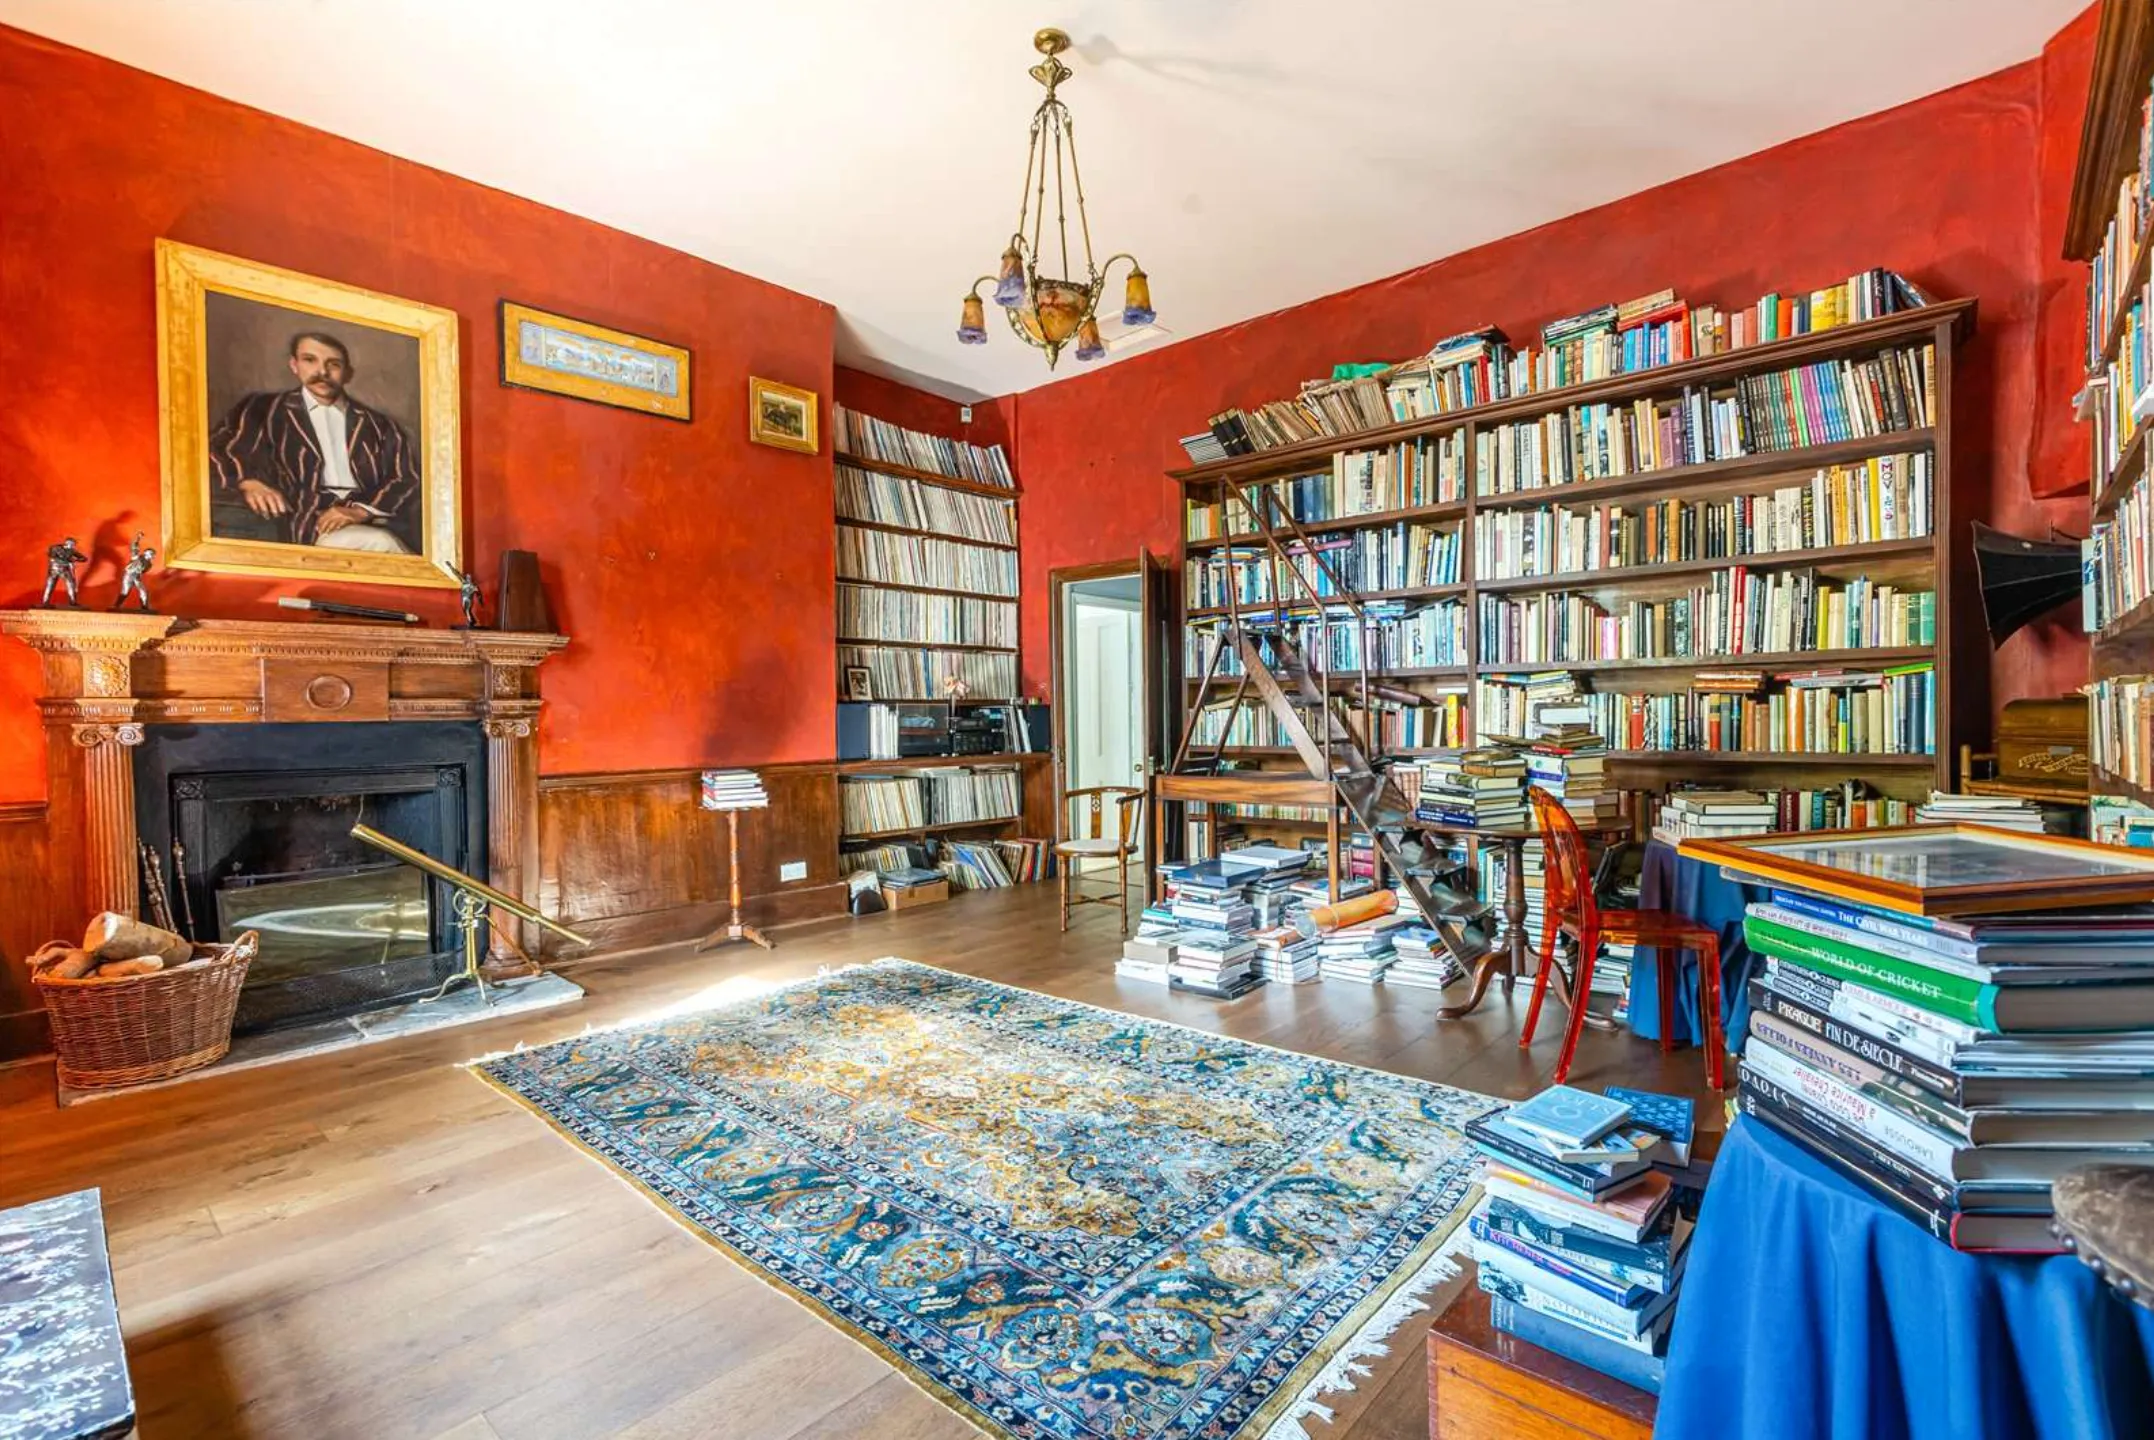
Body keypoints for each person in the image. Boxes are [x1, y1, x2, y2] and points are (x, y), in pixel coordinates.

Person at [207, 331, 420, 552]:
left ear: (347, 373)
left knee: (383, 542)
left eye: (334, 364)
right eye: (310, 360)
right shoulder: (263, 409)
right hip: (300, 524)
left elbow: (405, 478)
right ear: (294, 365)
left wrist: (360, 510)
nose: (322, 372)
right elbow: (223, 448)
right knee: (381, 544)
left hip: (370, 520)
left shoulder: (379, 425)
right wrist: (249, 482)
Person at [41, 536, 86, 606]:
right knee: (50, 586)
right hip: (54, 570)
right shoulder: (55, 548)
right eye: (72, 544)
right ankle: (45, 602)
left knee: (71, 585)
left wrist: (75, 560)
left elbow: (84, 558)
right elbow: (52, 559)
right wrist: (68, 562)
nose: (73, 546)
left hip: (65, 570)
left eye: (74, 545)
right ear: (67, 543)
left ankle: (73, 602)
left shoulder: (72, 551)